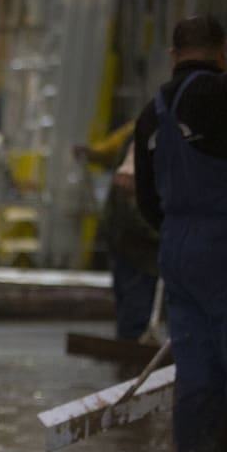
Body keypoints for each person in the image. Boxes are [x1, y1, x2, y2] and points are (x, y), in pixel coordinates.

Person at [133, 14, 227, 452]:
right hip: (222, 245)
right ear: (222, 51)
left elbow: (146, 198)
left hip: (179, 250)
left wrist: (177, 235)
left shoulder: (152, 113)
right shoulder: (219, 93)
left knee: (197, 382)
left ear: (173, 55)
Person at [78, 123, 159, 341]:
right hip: (134, 246)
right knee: (135, 311)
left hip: (137, 243)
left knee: (137, 308)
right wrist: (161, 235)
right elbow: (130, 205)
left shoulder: (146, 132)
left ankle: (131, 353)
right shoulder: (148, 135)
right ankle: (130, 358)